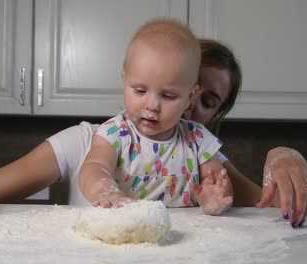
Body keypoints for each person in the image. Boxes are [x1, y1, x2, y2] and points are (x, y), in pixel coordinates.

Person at [0, 26, 307, 228]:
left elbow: (274, 213)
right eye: (147, 89)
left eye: (204, 101)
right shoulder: (95, 139)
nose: (160, 107)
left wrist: (283, 157)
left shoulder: (201, 149)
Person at [78, 19, 233, 216]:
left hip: (188, 238)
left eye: (168, 96)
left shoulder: (198, 140)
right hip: (128, 229)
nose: (152, 105)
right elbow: (93, 168)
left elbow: (217, 180)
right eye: (140, 90)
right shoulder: (114, 133)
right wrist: (106, 191)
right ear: (124, 80)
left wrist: (216, 196)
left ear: (190, 97)